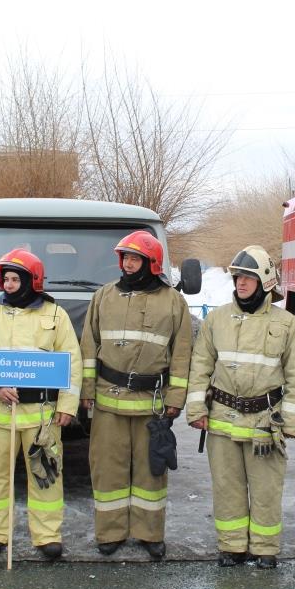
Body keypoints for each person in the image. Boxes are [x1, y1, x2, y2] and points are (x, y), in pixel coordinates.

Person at [187, 245, 295, 569]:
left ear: (266, 281)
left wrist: (291, 422)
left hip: (265, 423)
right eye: (238, 277)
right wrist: (197, 409)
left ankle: (265, 549)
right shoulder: (217, 320)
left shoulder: (286, 324)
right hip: (223, 419)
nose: (241, 283)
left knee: (266, 488)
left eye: (248, 278)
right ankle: (232, 547)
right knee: (227, 487)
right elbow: (200, 365)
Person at [80, 231, 193, 560]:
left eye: (135, 258)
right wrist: (87, 391)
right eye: (125, 258)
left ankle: (149, 533)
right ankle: (110, 532)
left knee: (150, 472)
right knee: (108, 469)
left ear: (151, 263)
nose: (128, 264)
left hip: (152, 403)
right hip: (108, 402)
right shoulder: (103, 297)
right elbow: (89, 347)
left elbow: (182, 353)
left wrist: (175, 399)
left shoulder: (174, 302)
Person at [0, 248, 82, 561]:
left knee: (46, 474)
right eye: (6, 278)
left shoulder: (55, 315)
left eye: (16, 279)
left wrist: (67, 406)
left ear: (32, 280)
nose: (9, 284)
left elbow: (72, 361)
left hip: (43, 416)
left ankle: (47, 537)